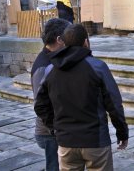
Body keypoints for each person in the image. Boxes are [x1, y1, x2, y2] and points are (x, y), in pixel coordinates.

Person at [34, 24, 128, 170]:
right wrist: (122, 132)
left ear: (64, 42)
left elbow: (40, 105)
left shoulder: (51, 69)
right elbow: (114, 104)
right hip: (95, 140)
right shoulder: (98, 67)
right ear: (85, 42)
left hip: (66, 142)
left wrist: (56, 127)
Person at [31, 18, 71, 171]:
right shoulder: (44, 66)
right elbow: (41, 105)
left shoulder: (55, 59)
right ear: (59, 39)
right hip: (50, 132)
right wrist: (56, 129)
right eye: (69, 35)